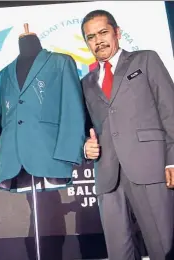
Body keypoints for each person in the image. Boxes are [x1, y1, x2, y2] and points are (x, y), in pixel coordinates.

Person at [82, 9, 174, 260]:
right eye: (91, 37)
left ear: (117, 33)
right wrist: (85, 147)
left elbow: (170, 109)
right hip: (108, 175)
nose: (98, 40)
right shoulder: (86, 82)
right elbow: (85, 129)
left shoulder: (145, 60)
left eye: (103, 32)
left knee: (162, 247)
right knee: (118, 253)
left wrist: (172, 158)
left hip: (150, 166)